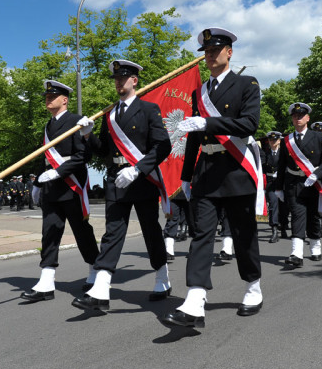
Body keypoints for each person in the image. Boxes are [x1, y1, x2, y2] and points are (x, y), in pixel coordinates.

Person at [162, 27, 265, 328]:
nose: (209, 56)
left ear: (229, 52)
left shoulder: (247, 84)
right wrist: (185, 175)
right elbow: (194, 134)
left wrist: (206, 120)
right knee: (201, 235)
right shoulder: (199, 93)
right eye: (206, 52)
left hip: (235, 170)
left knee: (244, 236)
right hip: (206, 173)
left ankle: (253, 286)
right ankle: (195, 300)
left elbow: (249, 124)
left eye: (215, 50)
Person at [73, 59, 172, 311]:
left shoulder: (149, 109)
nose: (118, 82)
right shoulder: (110, 114)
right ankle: (102, 287)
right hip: (115, 179)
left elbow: (163, 146)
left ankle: (162, 277)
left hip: (141, 179)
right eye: (116, 79)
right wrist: (88, 135)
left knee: (151, 230)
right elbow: (104, 151)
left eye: (123, 78)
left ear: (134, 81)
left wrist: (137, 169)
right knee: (113, 232)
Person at [20, 80, 100, 302]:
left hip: (71, 184)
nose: (48, 98)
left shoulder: (76, 122)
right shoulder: (47, 127)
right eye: (46, 96)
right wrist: (37, 184)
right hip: (51, 188)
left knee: (81, 231)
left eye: (52, 96)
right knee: (50, 232)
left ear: (64, 100)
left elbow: (84, 156)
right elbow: (44, 157)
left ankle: (95, 270)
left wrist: (59, 172)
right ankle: (46, 281)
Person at [274, 103, 322, 268]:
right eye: (295, 116)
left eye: (301, 115)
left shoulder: (318, 137)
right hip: (293, 184)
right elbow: (281, 164)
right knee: (297, 215)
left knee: (313, 217)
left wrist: (317, 174)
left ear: (308, 118)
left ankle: (315, 247)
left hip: (313, 184)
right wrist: (278, 187)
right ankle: (296, 254)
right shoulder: (286, 140)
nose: (298, 118)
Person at [261, 131, 290, 243]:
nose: (273, 142)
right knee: (273, 206)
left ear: (279, 141)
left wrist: (282, 173)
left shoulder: (284, 153)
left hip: (282, 183)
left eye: (275, 140)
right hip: (271, 184)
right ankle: (274, 230)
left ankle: (283, 227)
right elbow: (262, 167)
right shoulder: (265, 154)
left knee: (284, 207)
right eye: (271, 140)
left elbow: (288, 165)